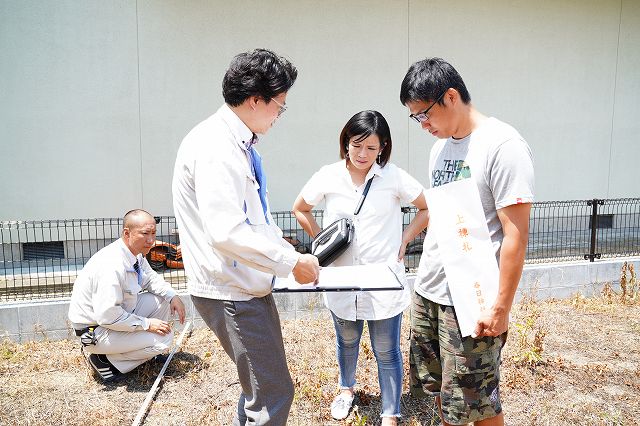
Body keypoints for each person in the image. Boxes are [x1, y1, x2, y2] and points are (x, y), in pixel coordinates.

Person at [172, 49, 320, 426]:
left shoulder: (235, 141)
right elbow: (226, 230)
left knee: (259, 387)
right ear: (256, 100)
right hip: (232, 289)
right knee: (272, 393)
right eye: (280, 106)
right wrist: (291, 263)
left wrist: (281, 245)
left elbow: (249, 218)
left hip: (241, 283)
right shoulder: (216, 147)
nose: (279, 115)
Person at [400, 57, 535, 426]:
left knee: (480, 401)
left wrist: (501, 306)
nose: (422, 125)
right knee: (441, 395)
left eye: (424, 114)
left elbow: (516, 235)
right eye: (415, 118)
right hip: (430, 290)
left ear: (451, 96)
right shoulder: (439, 148)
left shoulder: (502, 146)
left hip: (471, 302)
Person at [292, 110, 429, 425]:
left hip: (383, 280)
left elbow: (425, 207)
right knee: (347, 340)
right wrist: (323, 242)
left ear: (383, 147)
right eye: (357, 145)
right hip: (340, 278)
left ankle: (391, 412)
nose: (363, 153)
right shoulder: (329, 174)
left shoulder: (393, 177)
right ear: (346, 143)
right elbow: (301, 209)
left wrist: (406, 239)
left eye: (371, 147)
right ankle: (346, 389)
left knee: (386, 349)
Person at [68, 209, 186, 382]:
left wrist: (172, 296)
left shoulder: (135, 253)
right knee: (164, 338)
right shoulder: (112, 265)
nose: (151, 240)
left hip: (114, 318)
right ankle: (105, 360)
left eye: (153, 233)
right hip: (95, 331)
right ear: (127, 233)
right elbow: (107, 316)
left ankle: (138, 353)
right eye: (145, 233)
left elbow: (149, 278)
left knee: (163, 301)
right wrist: (146, 324)